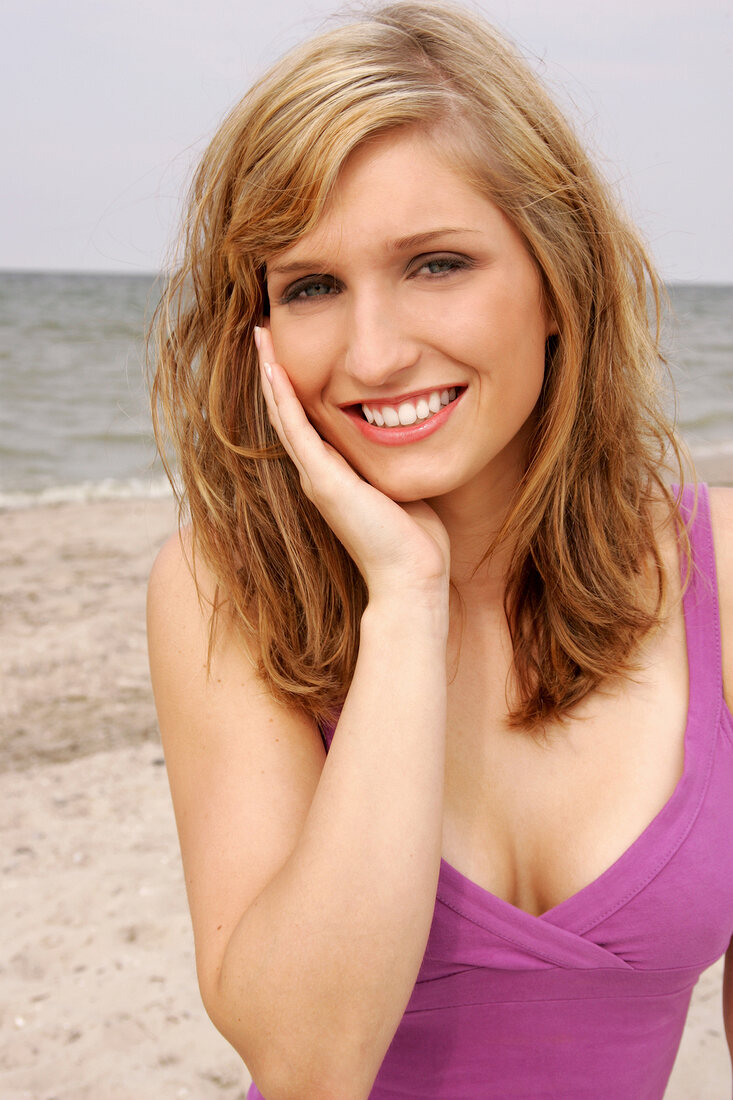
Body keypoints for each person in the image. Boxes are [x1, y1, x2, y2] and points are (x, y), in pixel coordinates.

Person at [146, 3, 733, 1097]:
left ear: (557, 282)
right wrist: (404, 598)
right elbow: (308, 1059)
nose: (372, 351)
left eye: (436, 264)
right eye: (310, 285)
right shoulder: (221, 589)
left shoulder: (721, 570)